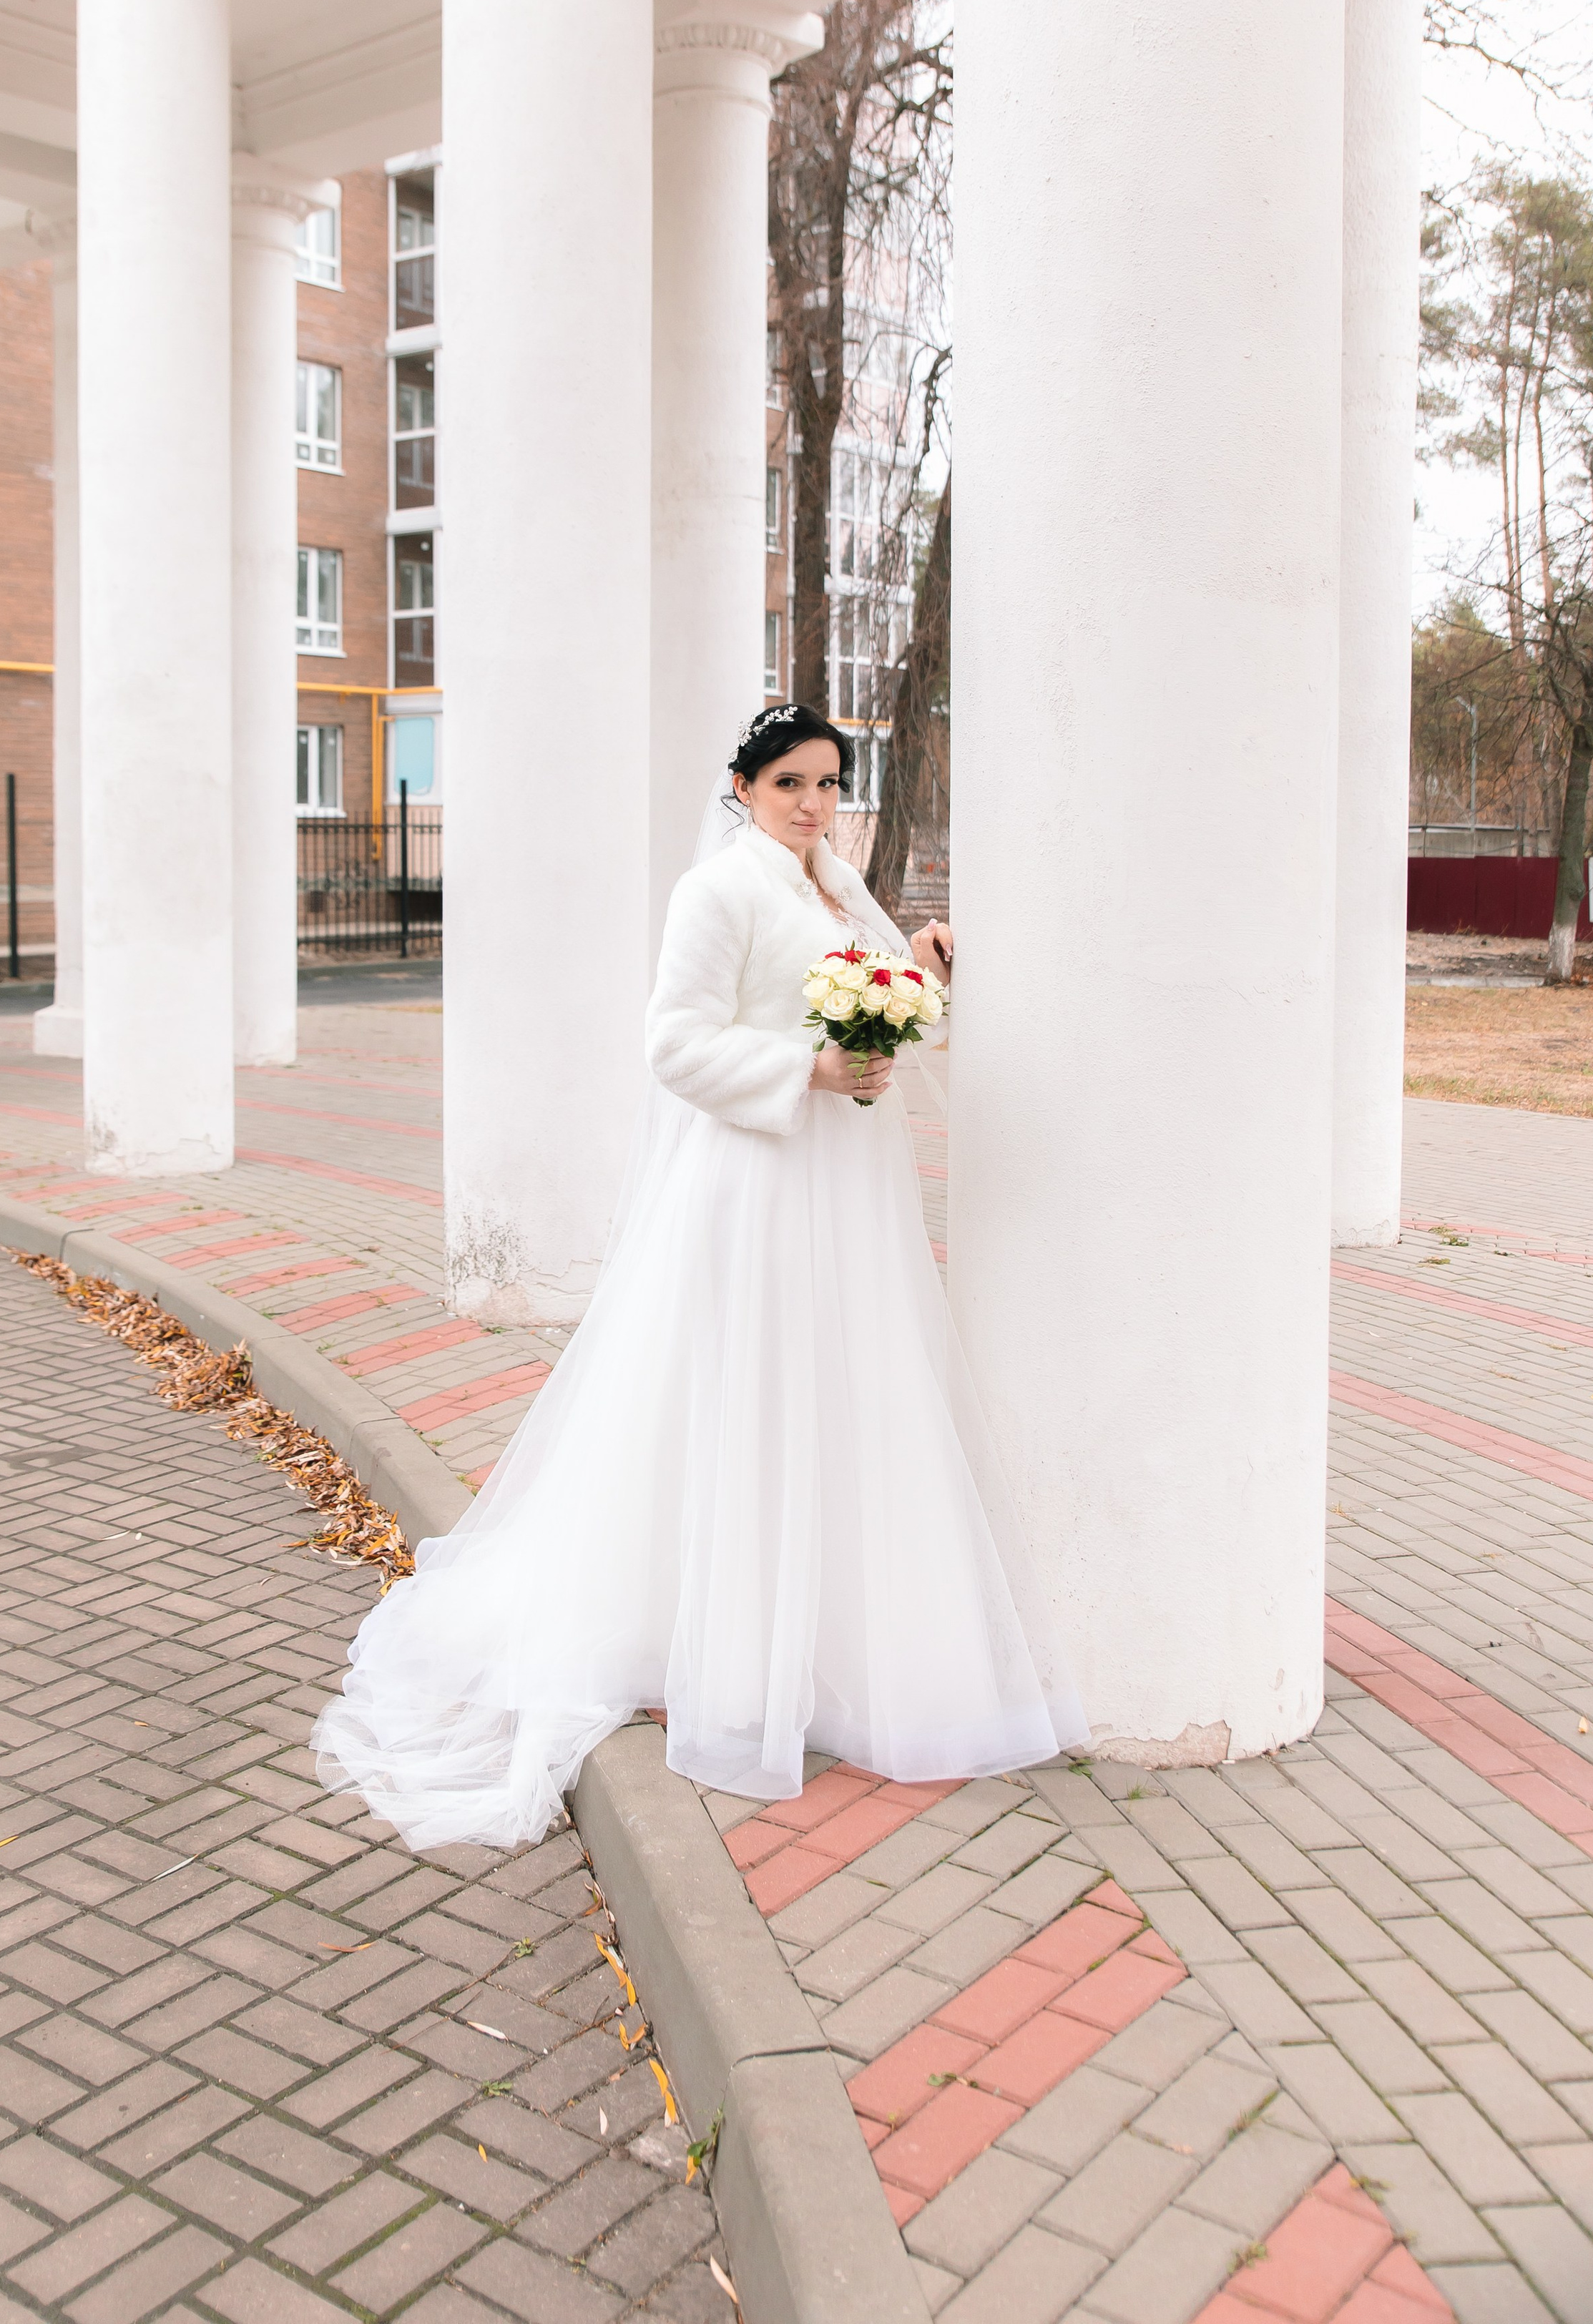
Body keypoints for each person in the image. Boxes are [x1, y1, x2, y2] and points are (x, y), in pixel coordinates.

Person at [313, 705, 1084, 1850]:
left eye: (829, 784)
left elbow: (871, 998)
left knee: (846, 1391)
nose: (814, 804)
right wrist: (808, 1070)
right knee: (752, 1396)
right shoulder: (719, 892)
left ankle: (830, 1638)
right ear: (742, 786)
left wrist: (913, 971)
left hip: (850, 1183)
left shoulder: (834, 883)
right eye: (791, 784)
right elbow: (674, 1043)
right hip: (764, 1178)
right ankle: (728, 1645)